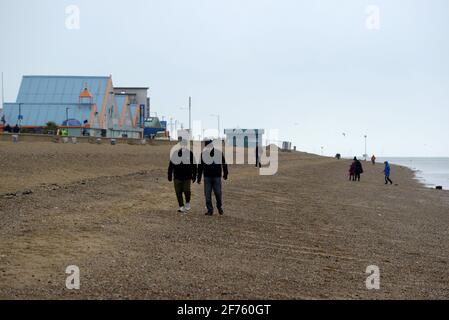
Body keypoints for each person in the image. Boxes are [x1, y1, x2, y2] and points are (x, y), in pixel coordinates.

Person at [197, 139, 228, 216]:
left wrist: (225, 174)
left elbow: (224, 164)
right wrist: (199, 178)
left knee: (218, 194)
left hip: (216, 177)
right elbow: (200, 167)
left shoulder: (218, 153)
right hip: (207, 177)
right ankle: (210, 210)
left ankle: (219, 206)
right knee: (207, 195)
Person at [168, 140, 197, 213]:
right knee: (178, 192)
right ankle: (181, 206)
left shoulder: (190, 153)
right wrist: (169, 175)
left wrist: (194, 175)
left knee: (186, 190)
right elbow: (171, 165)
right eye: (182, 145)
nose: (183, 146)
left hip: (187, 177)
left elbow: (194, 165)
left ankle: (187, 202)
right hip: (177, 177)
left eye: (184, 145)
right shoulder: (175, 153)